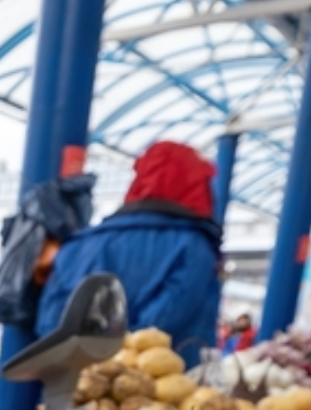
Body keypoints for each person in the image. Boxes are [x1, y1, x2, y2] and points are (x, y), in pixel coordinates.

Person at [36, 141, 221, 367]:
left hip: (73, 386)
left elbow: (49, 324)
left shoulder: (79, 244)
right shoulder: (194, 246)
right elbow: (162, 323)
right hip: (162, 392)